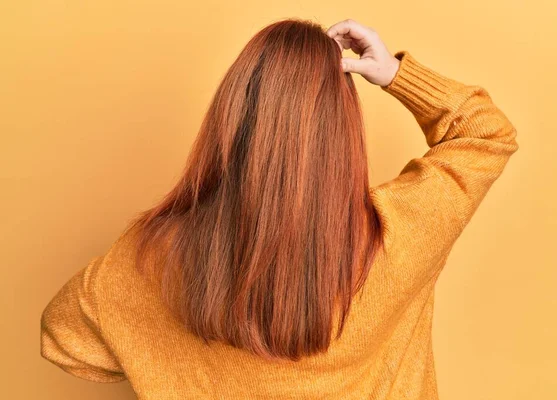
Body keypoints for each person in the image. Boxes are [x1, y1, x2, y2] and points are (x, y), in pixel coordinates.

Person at [40, 18, 518, 399]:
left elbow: (64, 341)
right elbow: (485, 133)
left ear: (230, 122)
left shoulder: (148, 262)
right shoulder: (405, 231)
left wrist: (166, 356)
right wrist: (394, 74)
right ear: (341, 131)